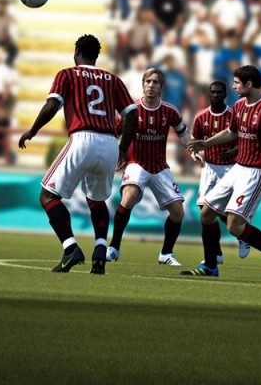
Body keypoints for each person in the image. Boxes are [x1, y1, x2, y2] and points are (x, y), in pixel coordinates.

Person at [18, 35, 138, 275]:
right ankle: (100, 250)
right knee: (97, 200)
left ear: (77, 52)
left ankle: (70, 247)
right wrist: (123, 148)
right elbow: (132, 115)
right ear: (97, 55)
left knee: (47, 195)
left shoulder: (67, 75)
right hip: (109, 143)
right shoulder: (113, 80)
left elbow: (52, 105)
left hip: (83, 138)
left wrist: (33, 130)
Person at [184, 65, 261, 280]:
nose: (233, 87)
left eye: (237, 83)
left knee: (234, 226)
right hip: (238, 168)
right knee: (207, 213)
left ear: (249, 84)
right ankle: (210, 266)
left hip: (256, 173)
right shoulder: (239, 106)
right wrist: (206, 143)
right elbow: (232, 133)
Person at [106, 68, 190, 266]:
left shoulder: (170, 110)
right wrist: (112, 154)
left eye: (155, 82)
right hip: (137, 163)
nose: (151, 85)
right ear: (143, 84)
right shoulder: (131, 110)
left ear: (161, 87)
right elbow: (113, 133)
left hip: (160, 167)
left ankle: (166, 254)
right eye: (148, 81)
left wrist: (194, 149)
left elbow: (183, 134)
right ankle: (114, 247)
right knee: (129, 196)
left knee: (178, 212)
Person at [189, 80, 241, 265]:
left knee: (223, 212)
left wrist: (234, 151)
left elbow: (245, 139)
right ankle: (215, 253)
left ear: (225, 94)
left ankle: (242, 234)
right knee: (205, 212)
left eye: (219, 92)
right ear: (208, 94)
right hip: (209, 167)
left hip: (230, 168)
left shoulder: (233, 115)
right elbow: (194, 143)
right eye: (213, 92)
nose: (216, 95)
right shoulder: (201, 117)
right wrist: (195, 154)